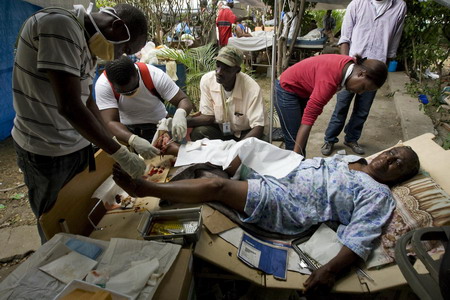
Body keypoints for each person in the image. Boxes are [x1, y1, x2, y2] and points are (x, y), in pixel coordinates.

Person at [112, 139, 420, 292]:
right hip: (283, 170)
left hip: (287, 202)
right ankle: (176, 150)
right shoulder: (356, 158)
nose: (390, 159)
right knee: (233, 148)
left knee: (217, 185)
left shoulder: (377, 195)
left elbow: (362, 237)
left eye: (398, 165)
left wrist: (330, 270)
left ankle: (145, 189)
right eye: (393, 153)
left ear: (397, 179)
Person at [11, 3, 148, 242]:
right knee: (56, 225)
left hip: (76, 144)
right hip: (46, 149)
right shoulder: (59, 25)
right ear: (116, 27)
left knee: (79, 218)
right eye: (125, 48)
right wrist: (118, 152)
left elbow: (87, 102)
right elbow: (70, 106)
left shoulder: (84, 42)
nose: (119, 56)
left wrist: (114, 143)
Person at [321, 0, 407, 156]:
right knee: (341, 106)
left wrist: (384, 67)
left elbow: (395, 38)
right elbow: (345, 39)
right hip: (353, 69)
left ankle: (352, 139)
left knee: (363, 109)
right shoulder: (357, 4)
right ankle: (330, 139)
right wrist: (346, 66)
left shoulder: (399, 6)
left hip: (376, 69)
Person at [275, 54, 388, 156]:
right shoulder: (329, 81)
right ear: (361, 74)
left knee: (299, 143)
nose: (360, 92)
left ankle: (299, 164)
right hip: (286, 88)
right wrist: (296, 157)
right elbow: (308, 120)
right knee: (293, 140)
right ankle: (293, 170)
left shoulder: (352, 65)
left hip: (302, 89)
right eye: (363, 87)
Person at [95, 56, 193, 158]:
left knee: (180, 156)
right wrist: (133, 139)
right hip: (126, 131)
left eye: (133, 89)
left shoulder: (153, 75)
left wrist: (180, 113)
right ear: (113, 84)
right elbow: (110, 122)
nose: (130, 94)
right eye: (124, 92)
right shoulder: (103, 85)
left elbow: (183, 100)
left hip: (158, 126)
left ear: (137, 75)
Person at [187, 46, 265, 142]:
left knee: (260, 142)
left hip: (244, 134)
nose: (219, 72)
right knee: (199, 132)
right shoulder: (207, 81)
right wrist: (184, 121)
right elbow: (208, 117)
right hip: (221, 132)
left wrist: (239, 149)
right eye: (218, 66)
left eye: (226, 69)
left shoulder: (252, 89)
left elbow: (258, 127)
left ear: (237, 70)